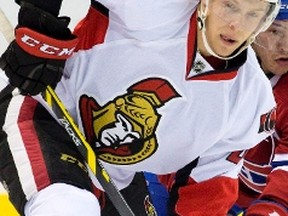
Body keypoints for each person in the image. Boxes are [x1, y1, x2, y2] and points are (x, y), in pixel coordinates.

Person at [0, 0, 280, 215]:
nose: (237, 24)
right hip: (43, 112)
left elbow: (207, 188)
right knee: (68, 207)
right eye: (230, 5)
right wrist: (38, 22)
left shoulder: (249, 100)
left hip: (114, 178)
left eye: (253, 13)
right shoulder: (155, 9)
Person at [228, 2, 288, 216]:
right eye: (275, 31)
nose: (286, 47)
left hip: (263, 200)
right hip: (208, 186)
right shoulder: (214, 66)